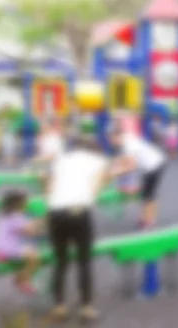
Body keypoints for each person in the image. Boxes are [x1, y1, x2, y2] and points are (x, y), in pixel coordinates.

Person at [45, 136, 110, 322]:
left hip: (55, 212)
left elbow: (50, 189)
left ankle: (59, 306)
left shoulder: (60, 160)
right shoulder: (99, 161)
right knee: (84, 261)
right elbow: (94, 192)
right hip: (79, 212)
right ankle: (86, 308)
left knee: (60, 261)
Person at [110, 128, 167, 228]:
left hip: (155, 165)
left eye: (112, 139)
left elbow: (131, 165)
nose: (111, 142)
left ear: (118, 136)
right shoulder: (125, 139)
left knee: (149, 195)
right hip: (149, 165)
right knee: (145, 193)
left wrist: (114, 173)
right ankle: (145, 218)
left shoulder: (129, 145)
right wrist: (115, 165)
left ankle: (150, 220)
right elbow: (124, 159)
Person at [0, 189, 41, 294]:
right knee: (35, 258)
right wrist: (39, 220)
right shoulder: (15, 217)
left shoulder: (7, 215)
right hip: (9, 249)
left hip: (1, 248)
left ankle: (19, 279)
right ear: (20, 203)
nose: (28, 203)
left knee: (30, 248)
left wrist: (33, 225)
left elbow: (25, 230)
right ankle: (23, 280)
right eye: (26, 201)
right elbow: (29, 231)